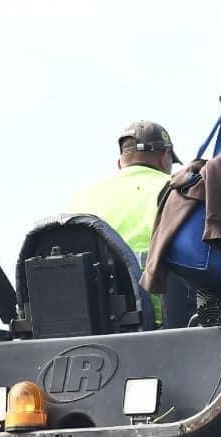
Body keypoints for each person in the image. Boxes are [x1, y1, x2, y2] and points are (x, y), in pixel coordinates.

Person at [68, 120, 176, 320]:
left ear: (120, 162)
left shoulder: (80, 197)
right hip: (160, 321)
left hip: (97, 322)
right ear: (165, 158)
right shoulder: (175, 189)